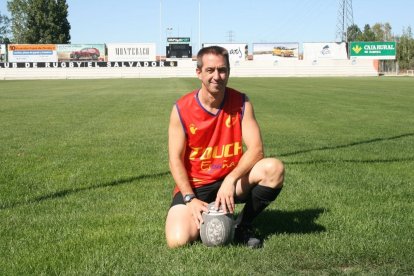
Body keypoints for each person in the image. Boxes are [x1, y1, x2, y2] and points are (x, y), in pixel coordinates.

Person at [165, 46, 285, 248]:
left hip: (231, 182)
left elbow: (257, 150)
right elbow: (174, 159)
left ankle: (242, 225)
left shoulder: (241, 102)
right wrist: (189, 198)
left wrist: (230, 179)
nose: (217, 76)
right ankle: (207, 214)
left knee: (274, 168)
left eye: (222, 70)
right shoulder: (181, 109)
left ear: (228, 72)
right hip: (196, 185)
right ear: (199, 73)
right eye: (210, 70)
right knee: (178, 241)